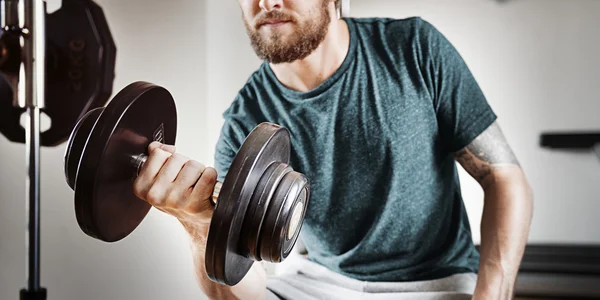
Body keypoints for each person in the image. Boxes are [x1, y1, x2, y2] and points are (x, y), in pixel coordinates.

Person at [132, 0, 534, 299]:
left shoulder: (414, 48)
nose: (268, 2)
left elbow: (503, 176)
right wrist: (198, 225)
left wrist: (492, 294)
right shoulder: (244, 121)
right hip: (322, 284)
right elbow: (238, 285)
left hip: (436, 281)